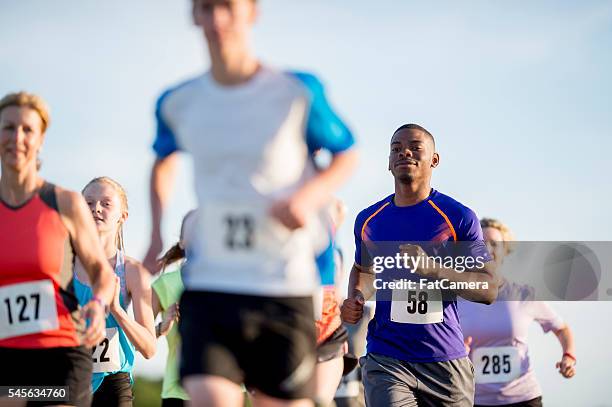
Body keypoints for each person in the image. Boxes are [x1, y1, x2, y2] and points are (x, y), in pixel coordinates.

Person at [143, 0, 358, 406]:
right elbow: (162, 160)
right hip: (212, 283)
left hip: (281, 284)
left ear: (253, 13)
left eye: (228, 6)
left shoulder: (296, 91)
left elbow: (347, 152)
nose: (217, 19)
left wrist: (307, 198)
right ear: (194, 16)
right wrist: (154, 233)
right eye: (206, 8)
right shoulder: (179, 102)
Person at [341, 123, 498, 407]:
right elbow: (363, 270)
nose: (405, 153)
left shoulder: (458, 217)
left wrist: (434, 270)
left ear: (434, 160)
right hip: (386, 357)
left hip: (445, 363)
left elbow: (488, 290)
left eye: (415, 147)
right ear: (389, 162)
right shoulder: (369, 220)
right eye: (396, 149)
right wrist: (357, 296)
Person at [0, 91, 115, 406]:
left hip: (60, 354)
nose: (17, 138)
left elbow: (101, 272)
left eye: (27, 130)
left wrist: (98, 302)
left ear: (40, 140)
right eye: (8, 127)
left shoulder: (64, 202)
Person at [459, 218, 576, 407]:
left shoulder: (524, 294)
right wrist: (456, 351)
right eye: (482, 244)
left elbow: (561, 328)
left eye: (495, 244)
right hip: (475, 400)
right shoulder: (458, 297)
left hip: (524, 398)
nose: (488, 249)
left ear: (505, 251)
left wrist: (568, 356)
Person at [73, 176, 156, 406]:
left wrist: (117, 310)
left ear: (123, 216)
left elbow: (149, 348)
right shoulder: (61, 265)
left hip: (113, 384)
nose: (96, 209)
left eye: (106, 203)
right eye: (88, 203)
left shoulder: (132, 272)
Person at [151, 210, 198, 407]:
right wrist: (163, 326)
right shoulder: (164, 284)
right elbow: (138, 341)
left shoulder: (231, 283)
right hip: (177, 393)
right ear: (181, 242)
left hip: (225, 390)